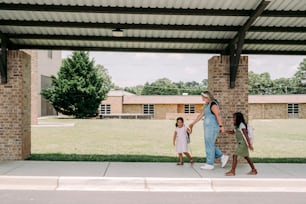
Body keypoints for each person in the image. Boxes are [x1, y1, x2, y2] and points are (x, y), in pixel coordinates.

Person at [189, 91, 229, 170]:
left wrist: (221, 126)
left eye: (203, 97)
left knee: (209, 144)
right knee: (209, 144)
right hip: (208, 128)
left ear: (207, 97)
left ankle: (210, 164)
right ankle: (222, 156)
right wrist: (193, 123)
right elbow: (201, 115)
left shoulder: (213, 104)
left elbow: (218, 115)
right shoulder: (207, 105)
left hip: (213, 127)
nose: (202, 99)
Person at [225, 112, 257, 176]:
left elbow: (246, 136)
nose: (233, 119)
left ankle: (232, 171)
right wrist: (225, 131)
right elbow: (232, 132)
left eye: (234, 117)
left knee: (235, 155)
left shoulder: (242, 125)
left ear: (238, 118)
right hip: (241, 143)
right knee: (246, 157)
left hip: (243, 143)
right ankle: (254, 170)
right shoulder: (237, 125)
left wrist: (250, 145)